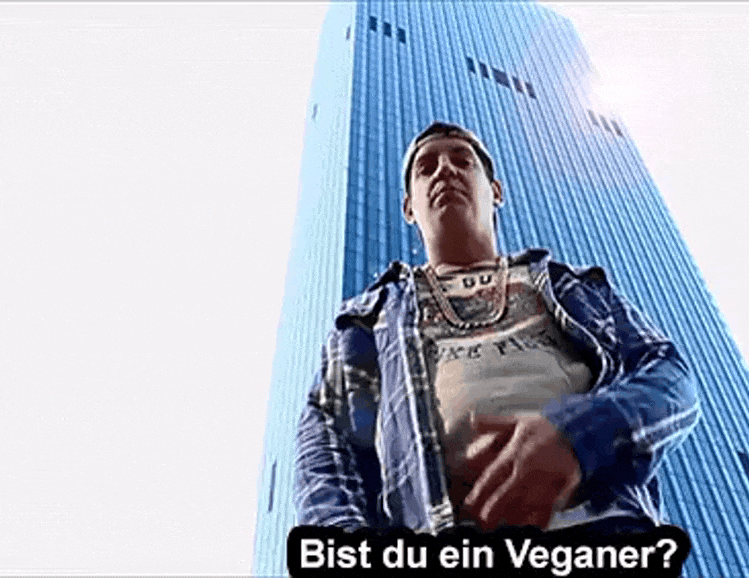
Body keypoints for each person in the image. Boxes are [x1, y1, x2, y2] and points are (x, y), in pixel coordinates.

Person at [293, 121, 700, 536]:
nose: (444, 170)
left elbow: (670, 378)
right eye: (426, 167)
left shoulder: (569, 286)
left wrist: (581, 434)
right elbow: (326, 439)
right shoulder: (371, 317)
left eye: (462, 161)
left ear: (497, 191)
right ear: (409, 208)